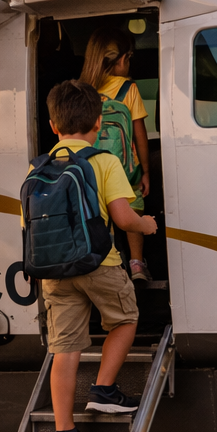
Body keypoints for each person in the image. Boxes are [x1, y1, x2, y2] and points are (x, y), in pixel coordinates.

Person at [33, 80, 160, 432]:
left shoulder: (38, 166)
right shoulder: (104, 161)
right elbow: (123, 218)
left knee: (64, 349)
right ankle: (104, 389)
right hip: (98, 263)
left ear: (53, 125)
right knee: (124, 319)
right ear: (99, 121)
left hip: (53, 270)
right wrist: (147, 225)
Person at [81, 26, 154, 281]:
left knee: (100, 212)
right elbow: (140, 135)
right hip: (125, 168)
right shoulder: (128, 89)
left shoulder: (83, 91)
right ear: (122, 59)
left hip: (92, 167)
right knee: (132, 206)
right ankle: (136, 264)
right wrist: (145, 171)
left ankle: (107, 261)